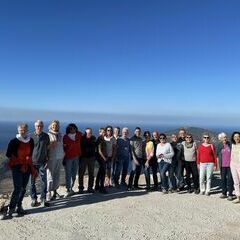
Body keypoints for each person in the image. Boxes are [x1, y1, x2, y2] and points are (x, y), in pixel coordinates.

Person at [1, 123, 35, 219]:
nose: (23, 131)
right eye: (21, 130)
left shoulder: (30, 140)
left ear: (27, 130)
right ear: (18, 130)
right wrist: (19, 160)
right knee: (18, 188)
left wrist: (26, 159)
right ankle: (11, 209)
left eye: (24, 130)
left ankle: (19, 206)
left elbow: (31, 153)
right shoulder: (14, 141)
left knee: (24, 188)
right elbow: (8, 154)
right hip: (17, 167)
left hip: (27, 166)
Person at [30, 120, 50, 207]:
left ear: (43, 126)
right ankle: (34, 199)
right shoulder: (30, 136)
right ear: (35, 126)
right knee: (32, 182)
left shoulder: (46, 136)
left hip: (42, 163)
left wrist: (47, 160)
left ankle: (43, 199)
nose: (39, 127)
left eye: (40, 126)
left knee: (43, 182)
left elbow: (48, 149)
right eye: (37, 126)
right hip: (32, 163)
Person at [46, 120, 64, 201]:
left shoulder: (60, 135)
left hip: (59, 157)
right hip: (51, 157)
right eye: (53, 125)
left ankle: (55, 192)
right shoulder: (48, 135)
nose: (55, 127)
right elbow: (45, 147)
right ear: (51, 126)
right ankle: (48, 192)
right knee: (50, 176)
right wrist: (50, 145)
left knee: (57, 175)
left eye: (56, 125)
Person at [63, 123, 82, 197]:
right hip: (68, 158)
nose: (72, 129)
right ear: (68, 129)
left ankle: (71, 188)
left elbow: (85, 135)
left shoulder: (79, 135)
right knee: (68, 174)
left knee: (74, 174)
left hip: (76, 157)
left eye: (73, 128)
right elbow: (63, 148)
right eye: (70, 128)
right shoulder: (65, 137)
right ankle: (68, 189)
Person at [216, 132, 234, 201]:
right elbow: (217, 156)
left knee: (230, 180)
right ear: (220, 139)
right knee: (223, 179)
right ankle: (224, 193)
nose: (225, 138)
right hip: (222, 165)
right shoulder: (219, 145)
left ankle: (230, 194)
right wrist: (217, 165)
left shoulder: (230, 144)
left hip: (230, 165)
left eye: (225, 137)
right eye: (223, 137)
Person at [78, 128, 96, 194]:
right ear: (85, 133)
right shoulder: (82, 138)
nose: (89, 134)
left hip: (91, 158)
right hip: (83, 158)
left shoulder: (93, 138)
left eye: (90, 133)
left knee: (91, 174)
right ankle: (81, 188)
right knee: (81, 174)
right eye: (87, 133)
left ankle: (90, 188)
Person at [95, 127, 108, 194]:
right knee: (102, 173)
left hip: (101, 158)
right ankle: (101, 187)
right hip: (101, 158)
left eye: (104, 132)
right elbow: (99, 151)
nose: (103, 133)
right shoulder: (100, 139)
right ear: (99, 132)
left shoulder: (102, 138)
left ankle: (97, 186)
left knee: (100, 172)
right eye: (102, 132)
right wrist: (104, 158)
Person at [230, 131, 240, 203]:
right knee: (236, 182)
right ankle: (238, 197)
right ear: (233, 138)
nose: (236, 138)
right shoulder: (232, 145)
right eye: (235, 137)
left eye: (238, 136)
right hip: (233, 164)